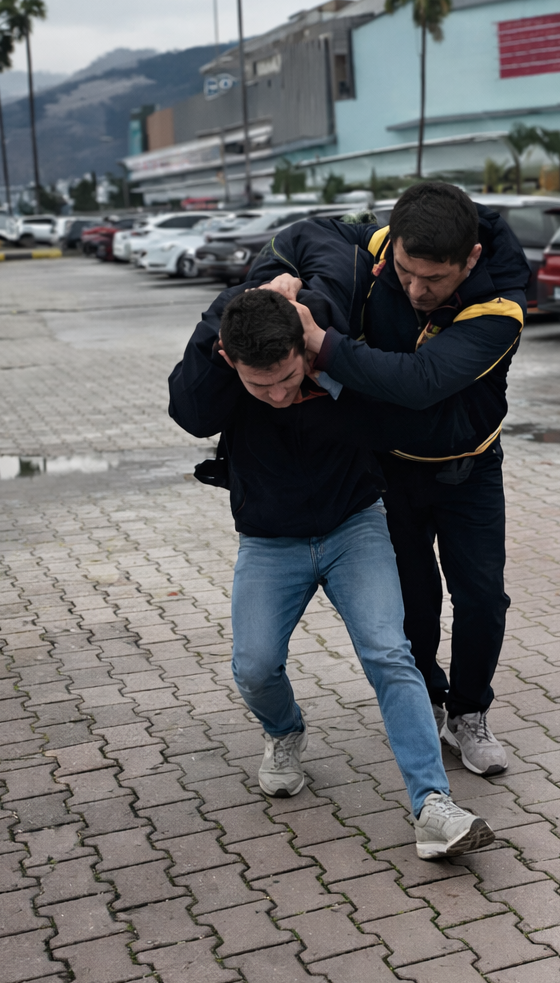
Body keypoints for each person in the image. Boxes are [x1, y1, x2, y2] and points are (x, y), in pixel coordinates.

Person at [168, 285, 494, 859]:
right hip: (270, 541)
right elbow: (190, 414)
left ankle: (433, 805)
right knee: (254, 667)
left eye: (287, 379)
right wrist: (216, 326)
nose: (276, 395)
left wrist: (332, 369)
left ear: (304, 349)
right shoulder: (225, 368)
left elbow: (392, 419)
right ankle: (284, 732)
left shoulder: (332, 349)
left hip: (354, 527)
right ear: (231, 360)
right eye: (259, 386)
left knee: (389, 653)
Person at [248, 182, 530, 778]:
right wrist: (280, 279)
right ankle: (426, 697)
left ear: (471, 259)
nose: (416, 290)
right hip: (392, 467)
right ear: (392, 244)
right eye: (405, 273)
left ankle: (469, 712)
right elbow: (302, 235)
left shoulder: (500, 308)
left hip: (469, 470)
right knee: (413, 600)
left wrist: (321, 343)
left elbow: (419, 381)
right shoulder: (379, 241)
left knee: (482, 598)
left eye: (435, 279)